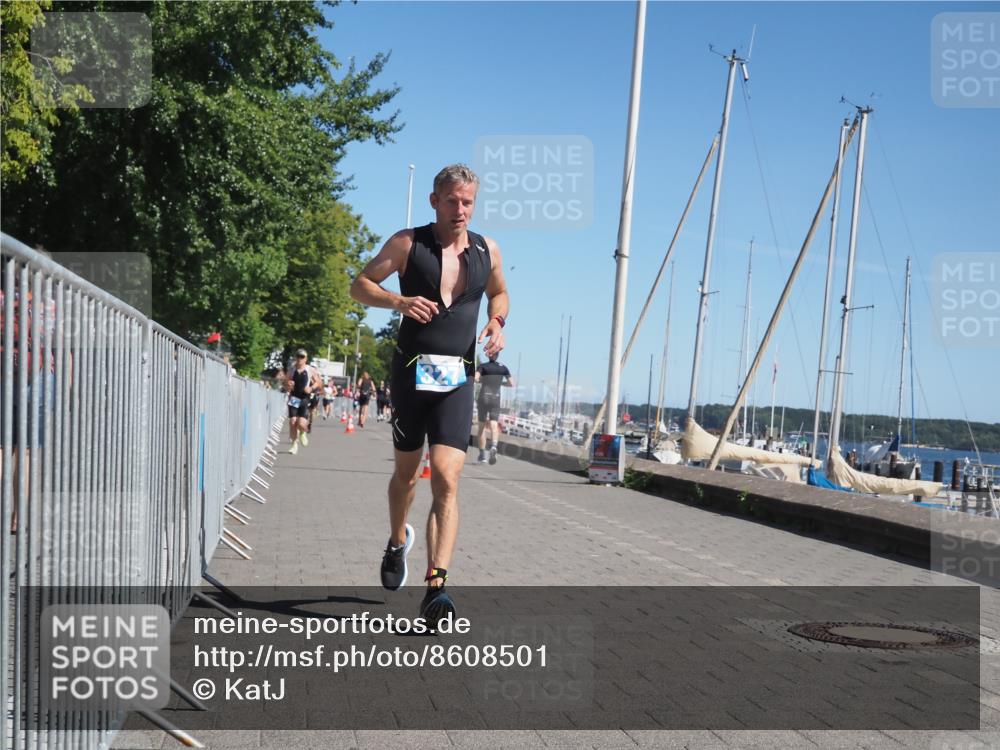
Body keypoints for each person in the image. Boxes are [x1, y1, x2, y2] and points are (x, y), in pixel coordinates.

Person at [350, 163, 509, 626]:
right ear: (435, 201)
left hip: (457, 378)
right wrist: (398, 302)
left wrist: (497, 323)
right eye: (453, 201)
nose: (461, 210)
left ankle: (436, 586)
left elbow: (500, 295)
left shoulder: (487, 250)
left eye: (469, 202)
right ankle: (398, 539)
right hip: (410, 375)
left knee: (445, 475)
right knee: (404, 477)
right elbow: (359, 285)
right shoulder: (408, 243)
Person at [474, 353, 514, 464]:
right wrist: (501, 383)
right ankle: (494, 446)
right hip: (495, 398)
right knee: (494, 424)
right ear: (498, 355)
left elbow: (476, 379)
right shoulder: (503, 368)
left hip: (483, 397)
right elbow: (511, 384)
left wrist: (483, 380)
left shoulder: (482, 366)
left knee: (481, 427)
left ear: (488, 355)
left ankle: (482, 455)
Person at [284, 349, 314, 454]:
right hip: (294, 398)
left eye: (302, 357)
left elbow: (319, 382)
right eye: (298, 356)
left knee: (301, 423)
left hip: (304, 398)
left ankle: (303, 432)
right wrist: (288, 384)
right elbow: (285, 383)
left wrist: (311, 388)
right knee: (292, 422)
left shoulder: (310, 370)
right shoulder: (291, 370)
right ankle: (294, 444)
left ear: (306, 359)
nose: (299, 359)